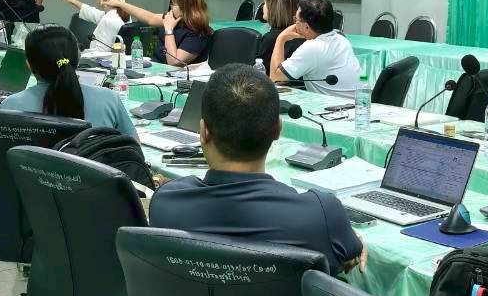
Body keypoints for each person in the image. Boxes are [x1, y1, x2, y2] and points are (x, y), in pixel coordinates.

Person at [149, 63, 366, 275]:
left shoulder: (165, 202)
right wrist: (348, 238)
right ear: (278, 130)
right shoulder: (322, 215)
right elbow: (349, 253)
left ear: (203, 132)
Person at [0, 25, 137, 135]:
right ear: (77, 59)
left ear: (29, 64)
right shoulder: (109, 100)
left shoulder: (10, 106)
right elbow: (135, 151)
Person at [269, 0, 360, 97]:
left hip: (338, 105)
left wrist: (281, 39)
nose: (294, 24)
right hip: (357, 101)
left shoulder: (312, 48)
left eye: (296, 20)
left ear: (306, 27)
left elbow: (276, 79)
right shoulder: (341, 38)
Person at [100, 0, 213, 66]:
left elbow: (174, 61)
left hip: (175, 74)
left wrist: (169, 31)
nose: (170, 7)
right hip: (156, 65)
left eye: (173, 4)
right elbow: (150, 18)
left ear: (185, 8)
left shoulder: (197, 32)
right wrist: (119, 4)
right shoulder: (174, 19)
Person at [57, 0, 128, 52]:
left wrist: (80, 53)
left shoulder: (108, 20)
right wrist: (72, 0)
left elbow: (102, 53)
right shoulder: (121, 14)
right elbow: (93, 13)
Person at [255, 0, 303, 65]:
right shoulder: (302, 34)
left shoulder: (270, 38)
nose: (263, 6)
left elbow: (262, 69)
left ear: (274, 9)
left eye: (265, 3)